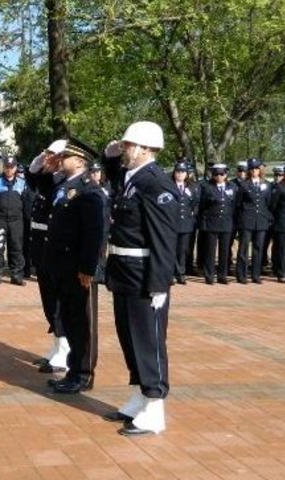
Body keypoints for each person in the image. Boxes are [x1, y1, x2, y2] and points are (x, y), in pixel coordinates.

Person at [102, 121, 177, 436]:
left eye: (129, 145)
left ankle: (155, 404)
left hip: (145, 274)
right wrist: (111, 153)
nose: (124, 149)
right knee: (128, 336)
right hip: (123, 271)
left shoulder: (155, 183)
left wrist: (160, 284)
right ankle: (139, 394)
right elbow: (113, 168)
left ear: (146, 149)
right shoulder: (131, 177)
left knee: (148, 341)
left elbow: (163, 239)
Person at [44, 141, 105, 395]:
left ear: (80, 162)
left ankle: (83, 373)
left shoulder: (89, 190)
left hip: (79, 269)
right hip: (62, 266)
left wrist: (88, 269)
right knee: (69, 319)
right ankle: (73, 370)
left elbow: (95, 234)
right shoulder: (64, 186)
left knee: (83, 323)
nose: (61, 158)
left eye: (66, 156)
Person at [27, 141, 70, 374]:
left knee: (58, 302)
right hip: (42, 247)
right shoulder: (49, 179)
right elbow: (33, 174)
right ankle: (57, 345)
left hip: (55, 249)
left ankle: (65, 348)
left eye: (55, 156)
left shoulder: (64, 182)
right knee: (48, 300)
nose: (50, 160)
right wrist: (43, 157)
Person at [0, 155, 29, 286]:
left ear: (16, 168)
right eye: (7, 167)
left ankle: (16, 275)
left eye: (12, 167)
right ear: (3, 167)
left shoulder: (22, 184)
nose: (9, 169)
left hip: (16, 221)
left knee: (16, 248)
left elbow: (26, 203)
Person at [233, 158, 272, 284]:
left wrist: (267, 218)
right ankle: (241, 275)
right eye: (252, 169)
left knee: (258, 248)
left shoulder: (267, 184)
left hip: (261, 220)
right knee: (243, 249)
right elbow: (238, 204)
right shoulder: (243, 185)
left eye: (256, 168)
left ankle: (256, 275)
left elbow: (269, 203)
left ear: (260, 170)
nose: (254, 171)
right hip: (246, 220)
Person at [199, 164, 236, 284]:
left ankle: (222, 275)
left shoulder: (233, 187)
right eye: (216, 174)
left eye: (222, 174)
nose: (219, 176)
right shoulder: (207, 187)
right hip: (212, 223)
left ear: (226, 174)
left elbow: (235, 205)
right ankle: (209, 275)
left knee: (224, 251)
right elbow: (202, 205)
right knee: (210, 251)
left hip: (226, 222)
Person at [171, 161, 199, 285]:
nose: (180, 174)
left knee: (182, 250)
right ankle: (171, 273)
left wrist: (192, 213)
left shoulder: (191, 187)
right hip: (172, 222)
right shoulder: (170, 186)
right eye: (178, 172)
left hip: (186, 223)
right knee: (172, 249)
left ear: (187, 174)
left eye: (183, 172)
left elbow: (195, 203)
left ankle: (181, 273)